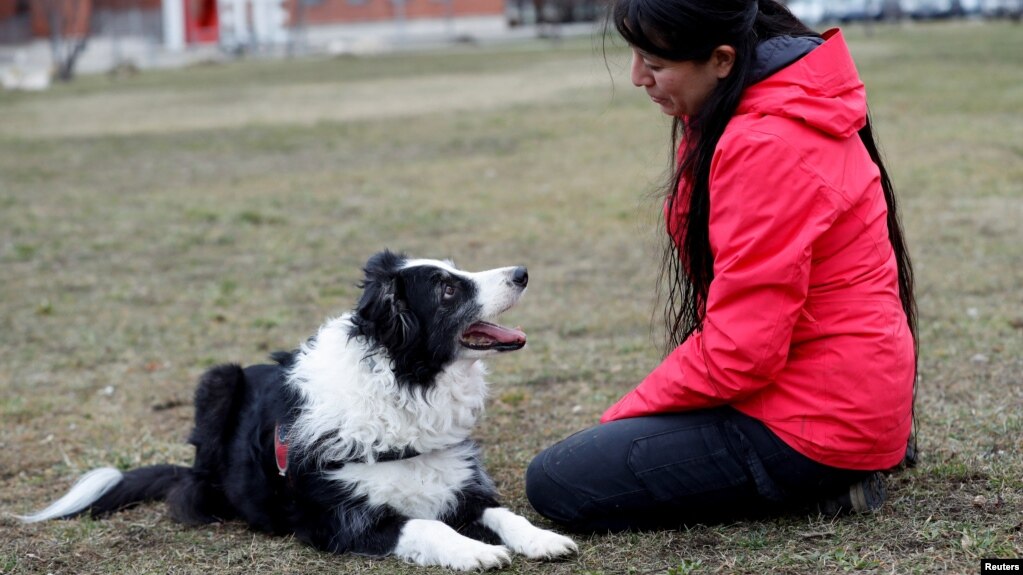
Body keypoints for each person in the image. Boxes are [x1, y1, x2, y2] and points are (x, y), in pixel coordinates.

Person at [525, 0, 917, 533]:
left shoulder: (765, 143)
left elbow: (741, 352)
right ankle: (841, 463)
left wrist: (625, 414)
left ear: (723, 60)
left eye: (655, 64)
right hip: (846, 400)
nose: (638, 78)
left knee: (559, 480)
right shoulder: (763, 109)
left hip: (819, 422)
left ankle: (828, 476)